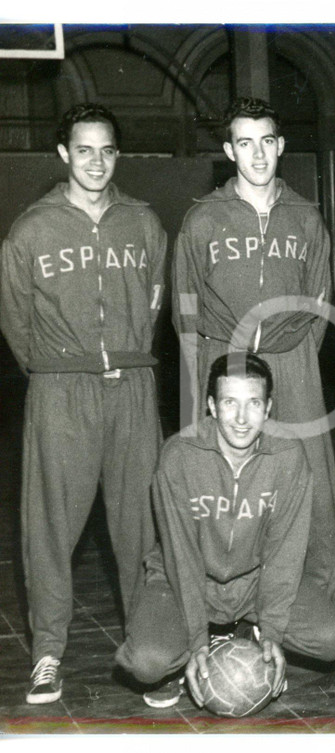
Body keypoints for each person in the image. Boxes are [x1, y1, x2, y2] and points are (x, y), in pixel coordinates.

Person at [0, 103, 167, 704]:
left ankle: (153, 649)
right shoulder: (30, 230)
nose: (96, 161)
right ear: (64, 154)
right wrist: (57, 368)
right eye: (84, 149)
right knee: (49, 527)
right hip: (59, 391)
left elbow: (153, 305)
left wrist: (121, 356)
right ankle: (48, 651)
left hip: (132, 388)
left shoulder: (143, 223)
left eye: (107, 149)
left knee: (142, 525)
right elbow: (16, 323)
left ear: (116, 155)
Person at [115, 354, 335, 707]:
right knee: (148, 663)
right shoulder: (179, 455)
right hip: (185, 581)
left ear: (268, 407)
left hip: (255, 581)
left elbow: (284, 554)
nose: (241, 418)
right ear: (211, 405)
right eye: (229, 403)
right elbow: (182, 557)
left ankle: (247, 631)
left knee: (332, 640)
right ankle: (187, 653)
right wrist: (196, 641)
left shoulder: (288, 456)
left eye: (253, 403)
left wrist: (271, 631)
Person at [172, 97, 335, 590]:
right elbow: (185, 307)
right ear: (230, 151)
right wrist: (199, 375)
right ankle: (223, 602)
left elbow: (320, 302)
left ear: (281, 145)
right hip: (224, 360)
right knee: (225, 484)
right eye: (246, 143)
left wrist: (296, 355)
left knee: (311, 481)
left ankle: (318, 594)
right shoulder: (202, 218)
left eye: (267, 141)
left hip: (293, 362)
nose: (259, 155)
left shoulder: (306, 217)